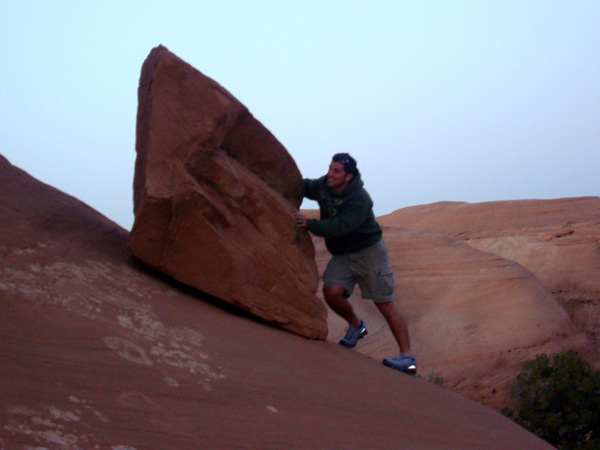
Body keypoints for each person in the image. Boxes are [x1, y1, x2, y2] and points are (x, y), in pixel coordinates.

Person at [293, 153, 416, 374]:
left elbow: (341, 226)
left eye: (336, 171)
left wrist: (309, 223)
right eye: (330, 168)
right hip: (344, 255)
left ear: (348, 176)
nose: (330, 174)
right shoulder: (324, 185)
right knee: (331, 293)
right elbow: (303, 186)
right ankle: (356, 326)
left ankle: (407, 357)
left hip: (369, 254)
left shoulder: (360, 199)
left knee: (384, 304)